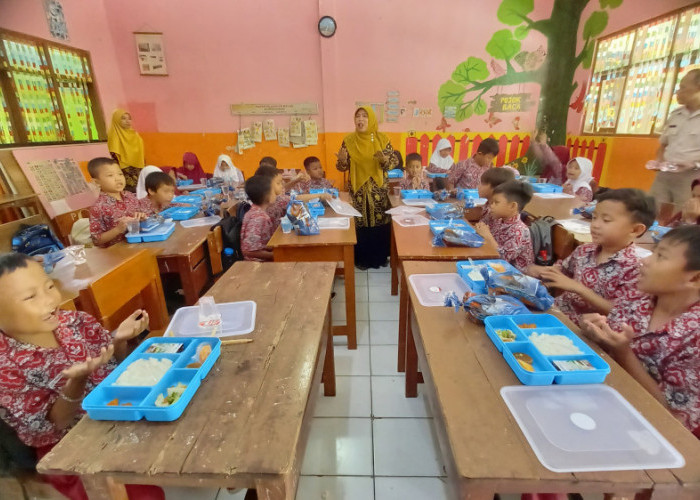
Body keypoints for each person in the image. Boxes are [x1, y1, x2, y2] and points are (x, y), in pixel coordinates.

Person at [0, 253, 164, 500]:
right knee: (143, 495)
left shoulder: (76, 321)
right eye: (31, 297)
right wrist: (77, 382)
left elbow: (114, 366)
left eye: (50, 286)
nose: (50, 300)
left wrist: (119, 339)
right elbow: (52, 427)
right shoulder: (5, 368)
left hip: (117, 411)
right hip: (71, 447)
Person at [581, 225, 700, 438]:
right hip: (595, 395)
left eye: (661, 257)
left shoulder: (695, 337)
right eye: (653, 252)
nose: (644, 261)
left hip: (644, 431)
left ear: (694, 279)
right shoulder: (639, 297)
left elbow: (674, 418)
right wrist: (593, 329)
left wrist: (624, 355)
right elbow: (606, 342)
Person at [530, 188, 656, 327]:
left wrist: (579, 288)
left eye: (606, 220)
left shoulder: (634, 270)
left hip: (584, 330)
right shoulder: (585, 250)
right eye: (595, 217)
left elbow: (619, 312)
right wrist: (543, 271)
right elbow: (562, 272)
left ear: (635, 230)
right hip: (556, 313)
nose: (595, 225)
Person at [335, 106, 398, 269]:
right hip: (358, 190)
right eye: (358, 116)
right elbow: (342, 167)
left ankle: (379, 258)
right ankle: (361, 259)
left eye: (364, 116)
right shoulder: (349, 140)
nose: (360, 119)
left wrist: (384, 160)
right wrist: (341, 161)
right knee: (360, 222)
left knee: (379, 222)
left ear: (371, 120)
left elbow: (392, 164)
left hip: (378, 189)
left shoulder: (382, 139)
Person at [651, 69, 700, 209]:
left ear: (698, 88)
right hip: (665, 174)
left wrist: (694, 164)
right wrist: (659, 161)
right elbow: (664, 144)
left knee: (684, 216)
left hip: (692, 178)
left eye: (683, 87)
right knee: (653, 210)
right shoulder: (676, 114)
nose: (678, 92)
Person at [475, 180, 534, 272]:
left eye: (496, 202)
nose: (492, 206)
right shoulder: (499, 220)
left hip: (513, 276)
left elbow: (503, 259)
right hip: (493, 266)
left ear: (512, 206)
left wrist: (488, 237)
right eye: (491, 202)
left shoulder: (519, 231)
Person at [87, 157, 147, 248]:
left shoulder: (130, 196)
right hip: (116, 254)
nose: (118, 179)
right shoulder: (98, 207)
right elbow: (96, 240)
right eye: (110, 175)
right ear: (96, 182)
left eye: (120, 174)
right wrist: (118, 229)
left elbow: (139, 221)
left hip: (137, 245)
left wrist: (141, 217)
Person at [255, 164, 329, 230]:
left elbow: (284, 188)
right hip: (275, 236)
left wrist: (296, 180)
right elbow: (297, 198)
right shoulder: (278, 199)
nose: (281, 185)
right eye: (278, 183)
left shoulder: (268, 197)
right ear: (267, 185)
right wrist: (320, 195)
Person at [107, 109, 144, 192]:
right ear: (116, 120)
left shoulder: (135, 134)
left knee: (142, 190)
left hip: (138, 167)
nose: (127, 121)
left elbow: (141, 154)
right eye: (123, 118)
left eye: (129, 118)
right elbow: (115, 155)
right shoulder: (114, 135)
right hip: (124, 169)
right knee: (130, 191)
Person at [241, 175, 275, 262]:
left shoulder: (255, 211)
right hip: (257, 265)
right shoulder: (258, 218)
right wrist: (276, 255)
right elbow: (248, 250)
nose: (276, 194)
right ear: (267, 196)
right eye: (273, 192)